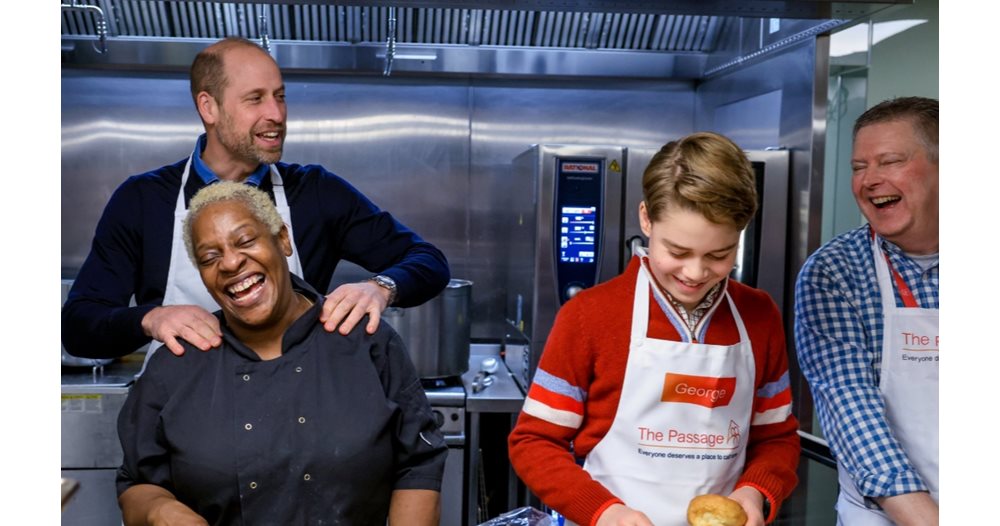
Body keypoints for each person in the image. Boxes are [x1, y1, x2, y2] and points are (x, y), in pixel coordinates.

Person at [62, 36, 449, 360]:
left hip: (296, 411)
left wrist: (380, 288)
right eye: (255, 99)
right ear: (209, 107)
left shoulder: (315, 192)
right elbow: (78, 326)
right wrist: (151, 319)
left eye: (279, 96)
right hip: (182, 414)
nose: (276, 114)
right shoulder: (143, 201)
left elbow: (428, 261)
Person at [508, 132, 800, 526]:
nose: (695, 273)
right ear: (646, 218)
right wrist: (605, 512)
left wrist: (756, 491)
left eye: (719, 255)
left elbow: (776, 437)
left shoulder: (758, 315)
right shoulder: (589, 315)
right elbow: (534, 441)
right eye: (677, 251)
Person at [116, 182, 447, 525]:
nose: (230, 263)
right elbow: (136, 483)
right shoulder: (176, 364)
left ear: (283, 239)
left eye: (246, 241)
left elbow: (417, 466)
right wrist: (159, 510)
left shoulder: (365, 341)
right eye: (210, 258)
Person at [794, 96, 938, 525]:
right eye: (859, 167)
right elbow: (853, 416)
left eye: (889, 162)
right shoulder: (835, 272)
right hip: (888, 515)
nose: (870, 180)